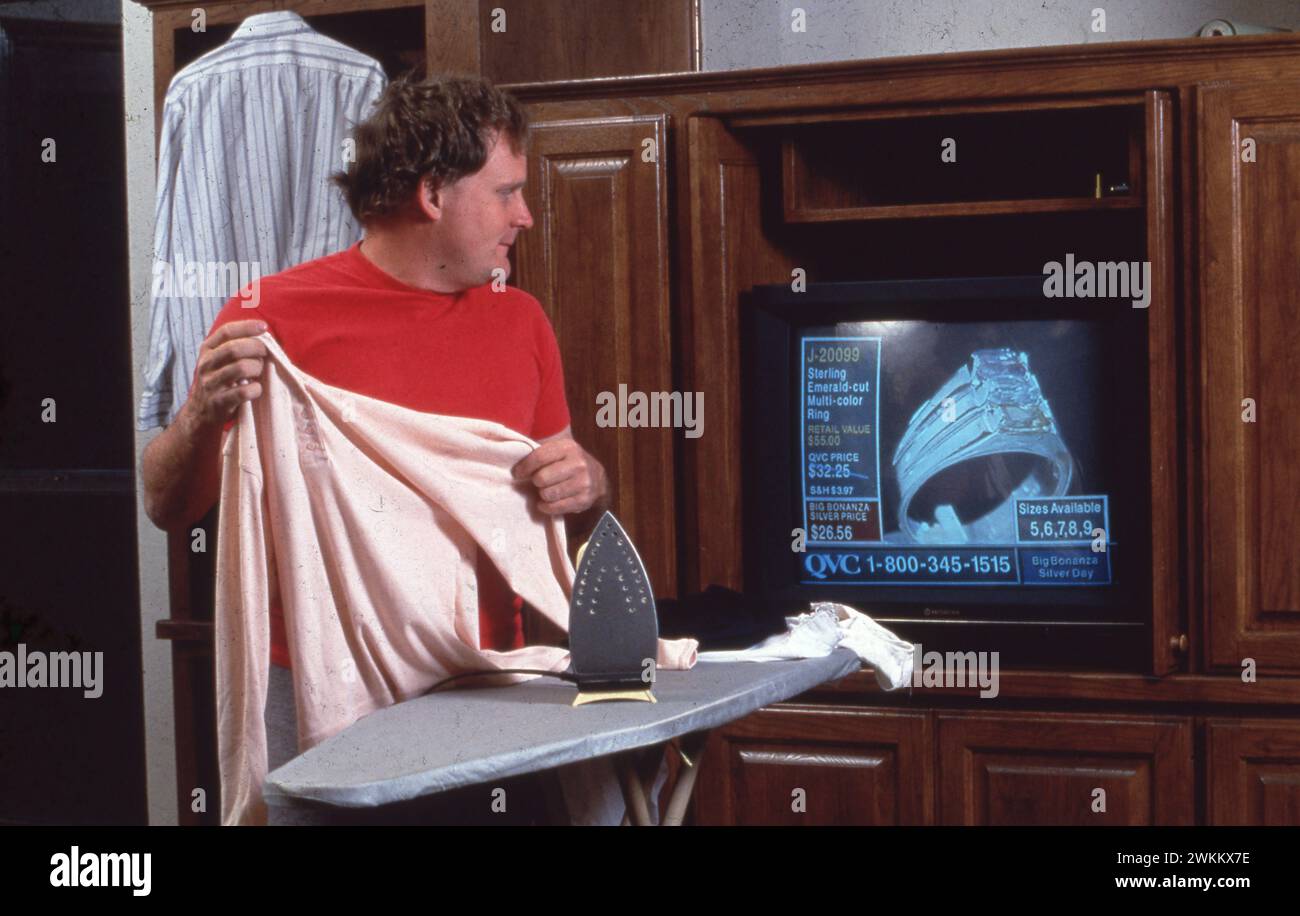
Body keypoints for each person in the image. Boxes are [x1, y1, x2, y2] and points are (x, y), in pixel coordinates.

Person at [140, 73, 613, 824]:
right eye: (506, 192)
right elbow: (169, 505)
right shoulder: (271, 320)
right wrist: (200, 413)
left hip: (482, 685)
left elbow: (568, 500)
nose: (525, 215)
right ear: (433, 195)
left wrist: (584, 481)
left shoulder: (519, 320)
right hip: (317, 685)